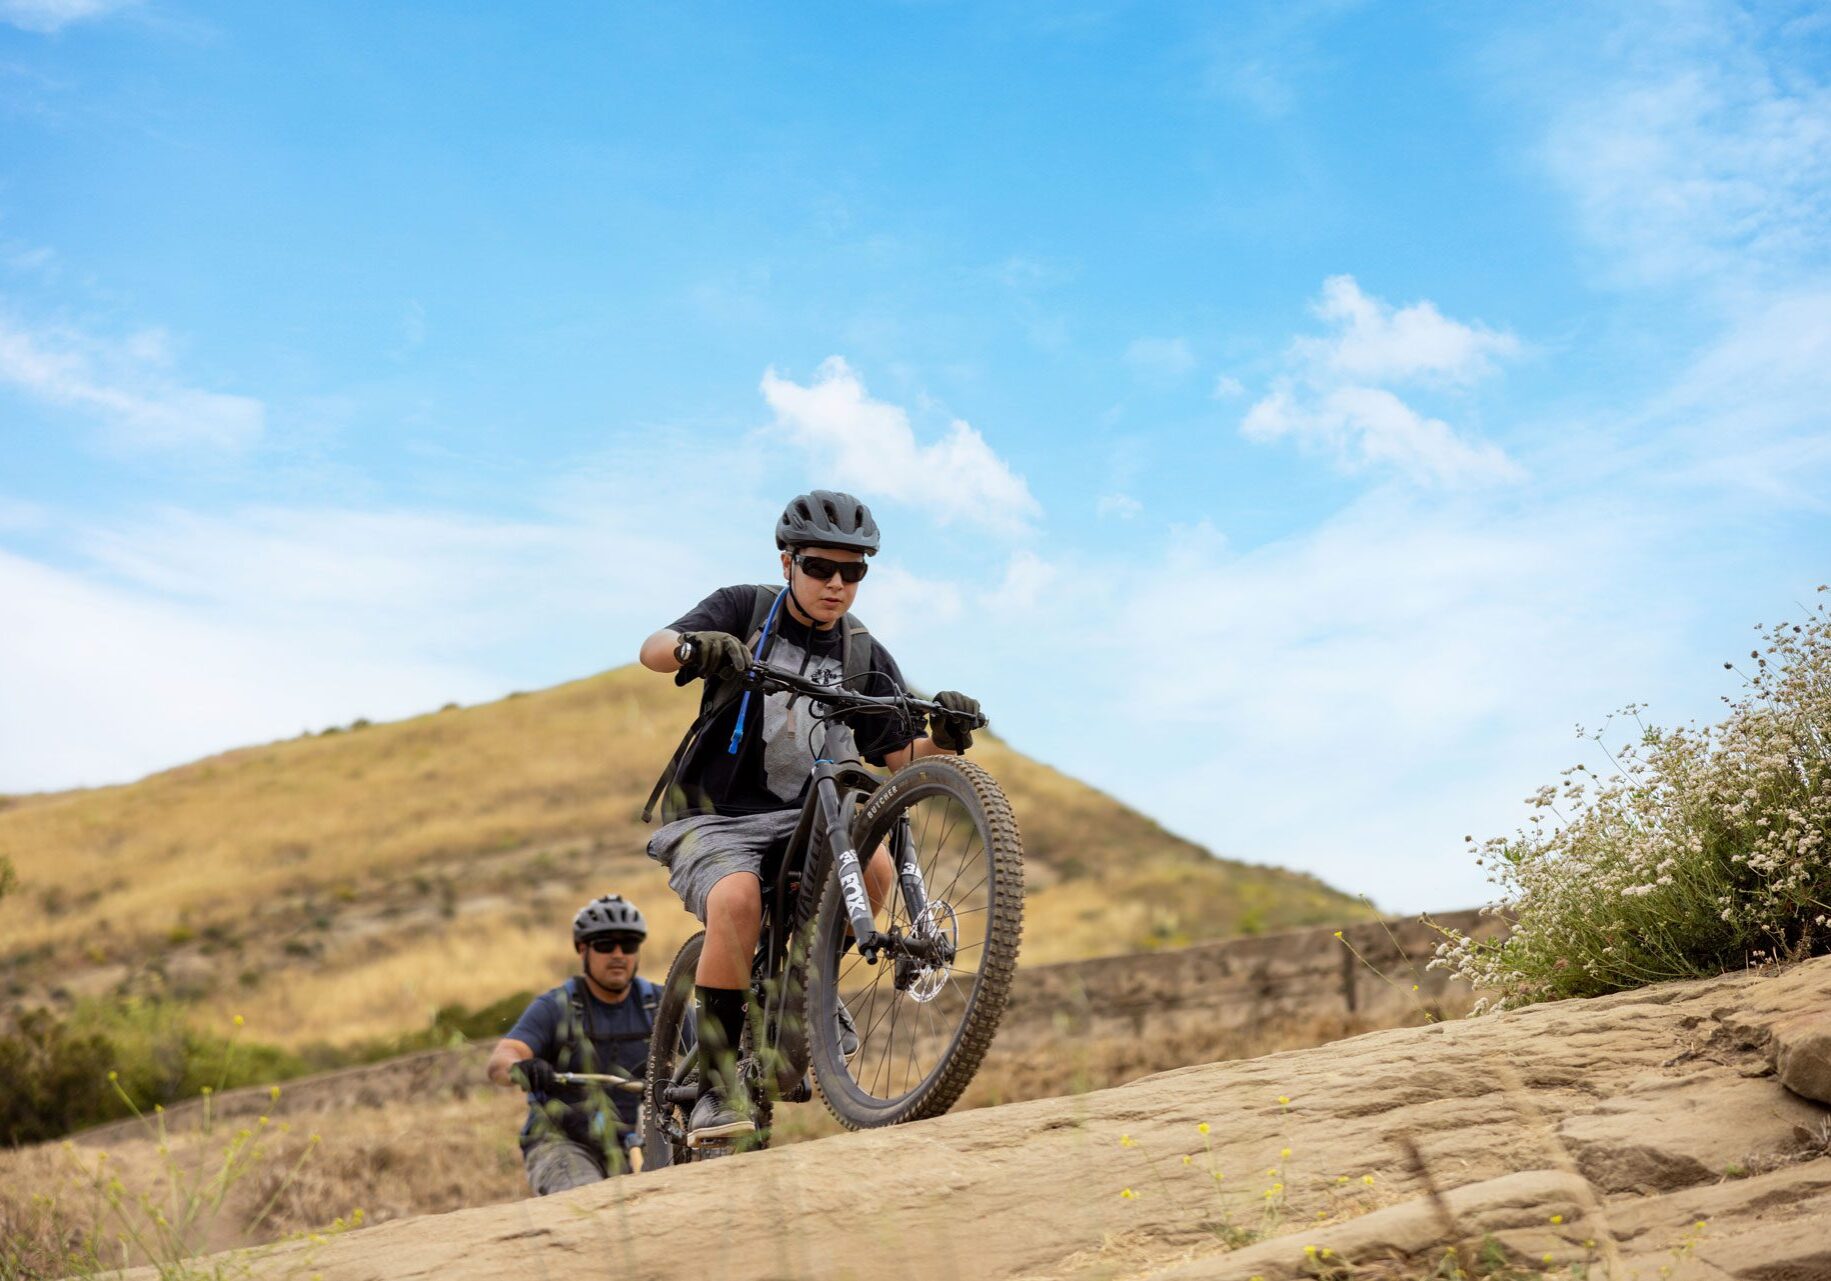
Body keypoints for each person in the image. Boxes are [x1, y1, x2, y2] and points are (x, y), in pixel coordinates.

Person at [637, 489, 981, 1148]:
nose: (836, 583)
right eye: (821, 567)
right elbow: (653, 647)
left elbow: (897, 754)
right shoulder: (746, 606)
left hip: (808, 818)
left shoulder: (861, 652)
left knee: (874, 862)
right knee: (736, 901)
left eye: (853, 571)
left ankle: (804, 995)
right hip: (716, 819)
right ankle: (712, 1083)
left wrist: (945, 735)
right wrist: (695, 649)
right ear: (787, 559)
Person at [485, 893, 659, 1194]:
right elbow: (501, 1060)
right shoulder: (556, 1006)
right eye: (605, 945)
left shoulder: (659, 1003)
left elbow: (717, 1051)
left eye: (628, 945)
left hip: (643, 1139)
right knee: (585, 1198)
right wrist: (523, 1068)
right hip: (562, 1142)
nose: (618, 954)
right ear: (582, 949)